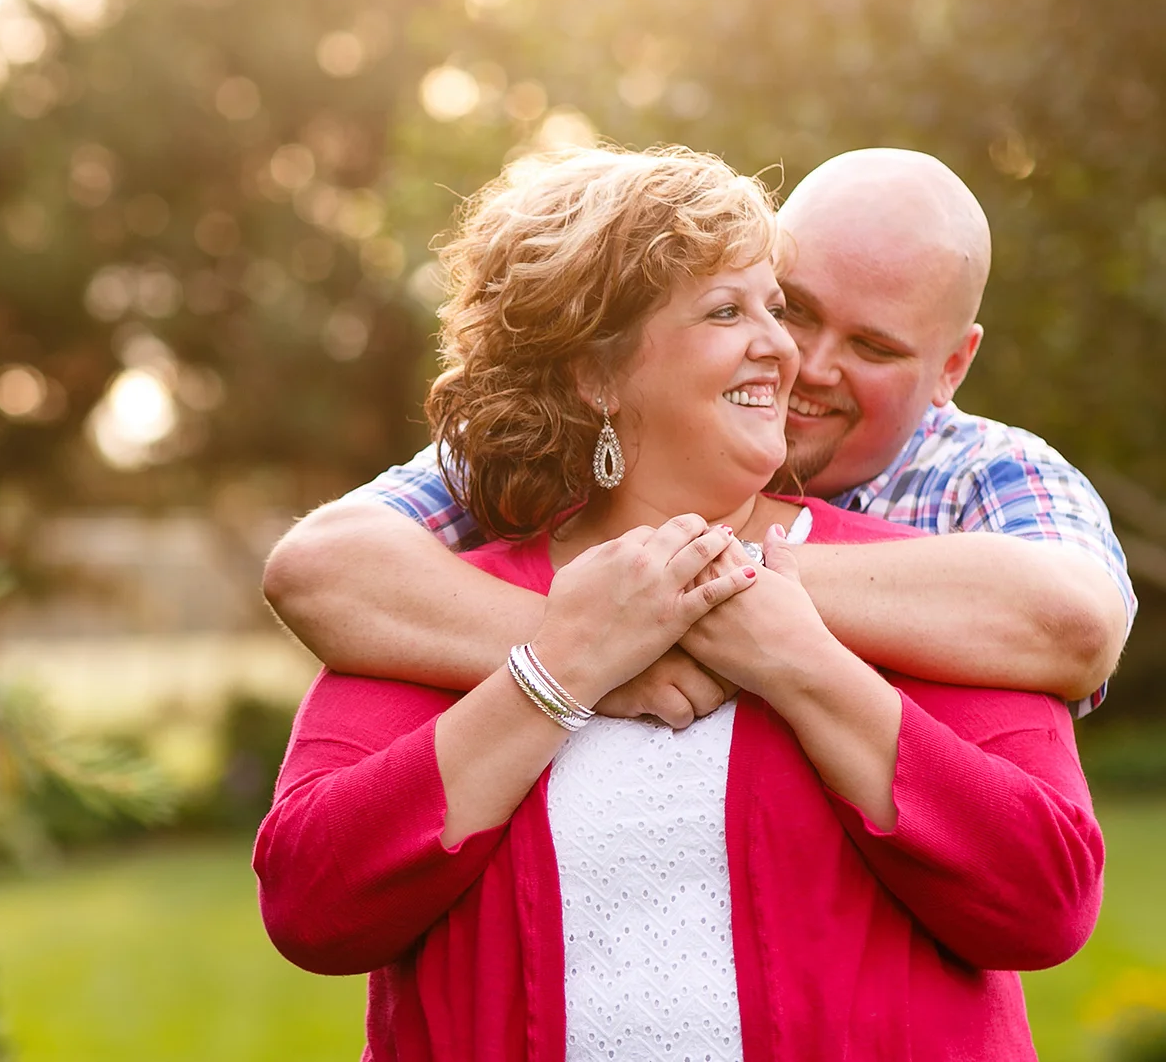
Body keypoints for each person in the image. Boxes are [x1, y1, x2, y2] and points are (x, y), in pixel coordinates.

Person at [253, 147, 1103, 1059]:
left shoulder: (934, 579)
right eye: (739, 310)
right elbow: (312, 905)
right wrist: (562, 665)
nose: (791, 353)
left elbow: (1046, 899)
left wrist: (792, 647)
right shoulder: (441, 589)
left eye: (772, 307)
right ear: (594, 372)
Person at [262, 148, 1131, 729]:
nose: (803, 361)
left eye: (873, 348)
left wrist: (711, 582)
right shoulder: (590, 425)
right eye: (793, 308)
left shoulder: (981, 472)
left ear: (953, 366)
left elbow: (1076, 625)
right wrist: (592, 651)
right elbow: (321, 568)